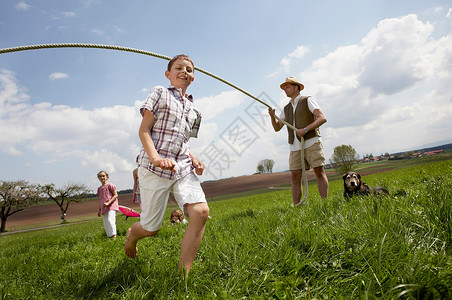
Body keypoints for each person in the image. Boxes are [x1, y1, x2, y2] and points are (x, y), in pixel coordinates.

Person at [124, 54, 210, 278]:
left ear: (193, 78)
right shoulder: (159, 93)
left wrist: (193, 158)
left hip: (181, 167)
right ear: (168, 74)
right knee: (151, 229)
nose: (185, 71)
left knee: (200, 212)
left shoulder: (195, 111)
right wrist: (155, 158)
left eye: (189, 69)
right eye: (179, 68)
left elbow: (184, 141)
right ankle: (132, 235)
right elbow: (144, 130)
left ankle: (184, 274)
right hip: (154, 168)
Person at [268, 77, 329, 204]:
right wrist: (272, 117)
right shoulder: (286, 108)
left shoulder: (308, 100)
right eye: (284, 87)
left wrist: (305, 130)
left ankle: (325, 203)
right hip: (294, 146)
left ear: (296, 87)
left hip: (312, 141)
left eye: (287, 86)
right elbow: (277, 128)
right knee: (295, 176)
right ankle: (296, 207)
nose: (285, 89)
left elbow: (322, 118)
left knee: (319, 171)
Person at [97, 170, 119, 240]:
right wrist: (99, 210)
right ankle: (109, 237)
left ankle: (114, 235)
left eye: (103, 176)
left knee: (110, 220)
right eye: (100, 176)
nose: (102, 177)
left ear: (107, 177)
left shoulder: (110, 185)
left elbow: (115, 195)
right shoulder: (99, 189)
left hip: (111, 206)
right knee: (106, 223)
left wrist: (108, 203)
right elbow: (100, 200)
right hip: (104, 208)